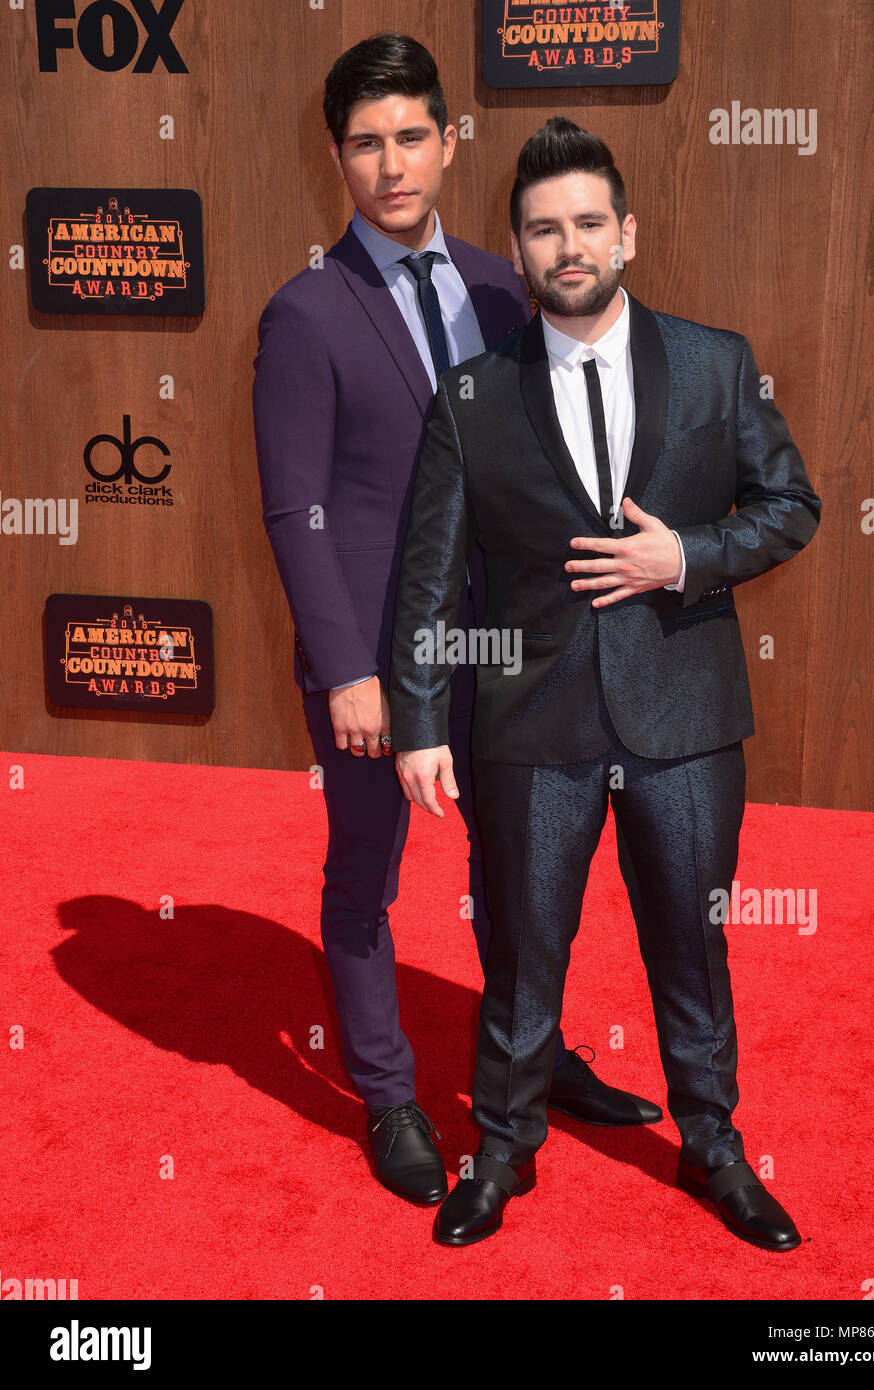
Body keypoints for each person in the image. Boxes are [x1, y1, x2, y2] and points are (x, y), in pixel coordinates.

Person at [391, 117, 821, 1248]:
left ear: (626, 231)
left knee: (691, 939)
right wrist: (420, 721)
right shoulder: (473, 398)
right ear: (519, 248)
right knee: (524, 954)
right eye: (542, 229)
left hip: (683, 715)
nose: (566, 245)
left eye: (587, 222)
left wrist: (682, 556)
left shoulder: (716, 362)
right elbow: (428, 575)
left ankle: (713, 1145)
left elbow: (790, 508)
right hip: (531, 725)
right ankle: (502, 1148)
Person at [252, 42, 660, 1208]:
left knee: (518, 867)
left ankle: (532, 1057)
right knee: (365, 876)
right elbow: (297, 510)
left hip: (508, 651)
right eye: (367, 143)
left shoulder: (498, 285)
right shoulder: (305, 314)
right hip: (380, 663)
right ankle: (387, 1093)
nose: (392, 164)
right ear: (337, 156)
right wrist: (349, 671)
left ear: (447, 140)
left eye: (411, 136)